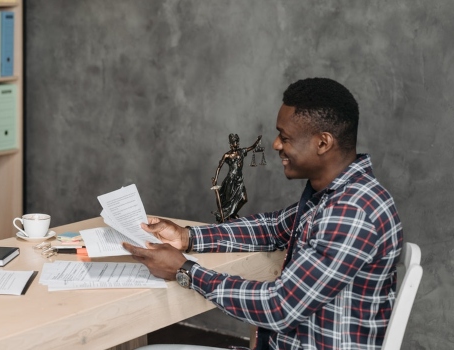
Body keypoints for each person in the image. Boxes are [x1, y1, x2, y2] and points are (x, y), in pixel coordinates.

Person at [124, 78, 402, 349]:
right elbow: (271, 228)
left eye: (286, 137)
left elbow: (280, 306)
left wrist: (185, 270)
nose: (276, 144)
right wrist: (186, 237)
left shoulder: (352, 212)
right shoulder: (335, 196)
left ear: (322, 143)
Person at [211, 133, 262, 222]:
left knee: (244, 199)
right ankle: (226, 217)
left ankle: (233, 213)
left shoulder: (241, 151)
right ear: (231, 143)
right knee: (228, 201)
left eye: (238, 141)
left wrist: (257, 141)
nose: (237, 143)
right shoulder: (227, 155)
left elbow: (251, 147)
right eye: (235, 142)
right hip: (231, 180)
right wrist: (215, 178)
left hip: (239, 180)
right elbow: (219, 167)